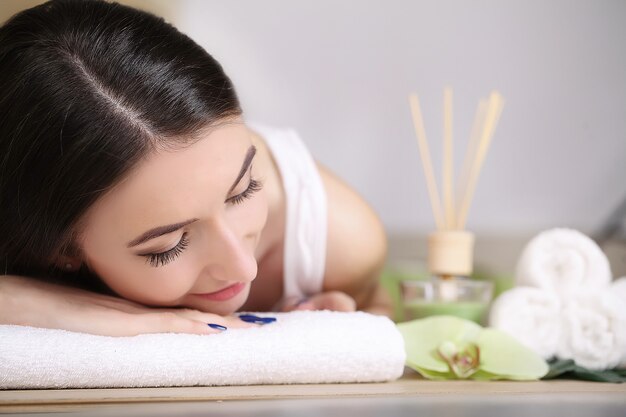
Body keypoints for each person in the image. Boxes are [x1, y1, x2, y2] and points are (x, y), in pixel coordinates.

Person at [0, 0, 391, 337]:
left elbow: (384, 313)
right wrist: (46, 307)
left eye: (243, 190)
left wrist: (357, 315)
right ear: (61, 252)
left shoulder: (336, 237)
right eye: (170, 245)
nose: (243, 266)